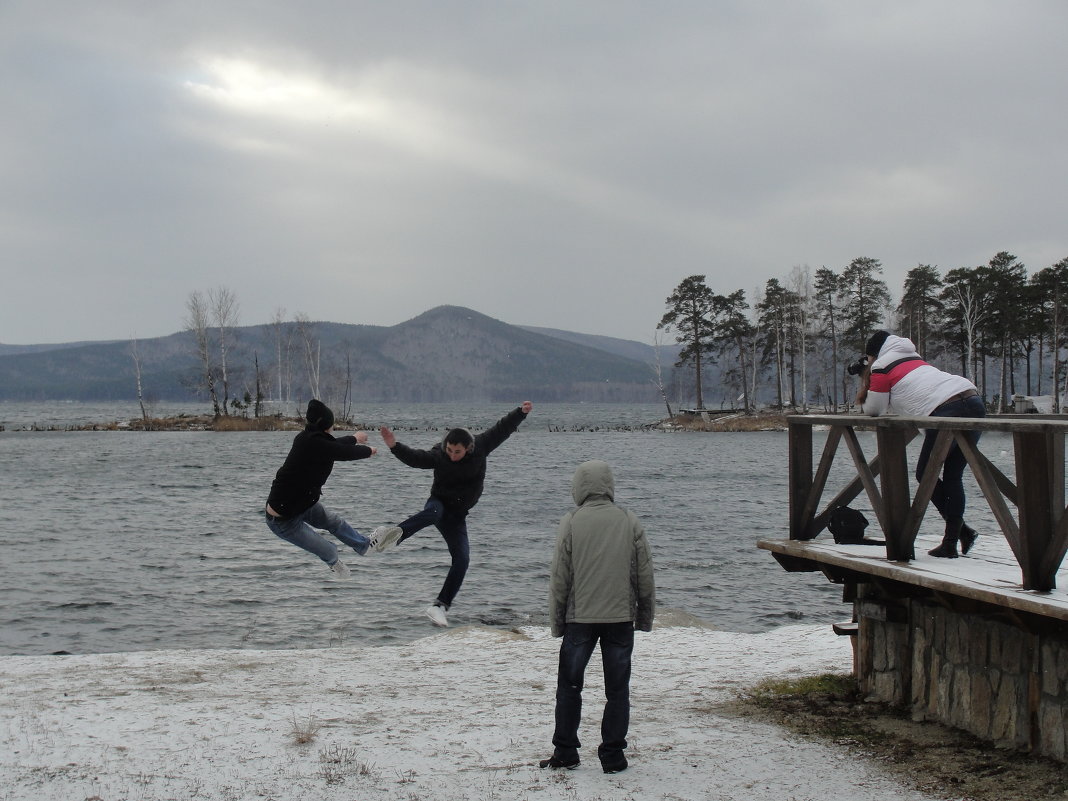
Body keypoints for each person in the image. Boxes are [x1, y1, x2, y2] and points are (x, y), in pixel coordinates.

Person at [540, 459, 655, 775]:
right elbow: (644, 573)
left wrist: (556, 622)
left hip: (580, 620)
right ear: (608, 486)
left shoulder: (572, 521)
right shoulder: (628, 520)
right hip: (620, 619)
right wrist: (643, 617)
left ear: (579, 487)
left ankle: (565, 752)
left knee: (569, 687)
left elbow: (559, 578)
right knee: (617, 690)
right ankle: (613, 756)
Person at [373, 401, 533, 626]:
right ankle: (392, 536)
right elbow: (416, 459)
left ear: (468, 448)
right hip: (438, 503)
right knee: (432, 513)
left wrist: (521, 412)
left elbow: (502, 428)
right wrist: (394, 446)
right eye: (449, 450)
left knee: (463, 559)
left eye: (457, 451)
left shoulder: (482, 445)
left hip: (458, 515)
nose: (452, 455)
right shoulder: (439, 454)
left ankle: (439, 606)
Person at [854, 330, 985, 558]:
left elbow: (874, 409)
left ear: (872, 355)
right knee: (953, 476)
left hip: (946, 409)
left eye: (868, 359)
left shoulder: (881, 366)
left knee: (926, 474)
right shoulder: (913, 357)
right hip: (972, 399)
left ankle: (957, 537)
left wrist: (867, 377)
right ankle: (955, 539)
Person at [264, 399, 376, 577]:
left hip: (304, 504)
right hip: (283, 521)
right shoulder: (310, 442)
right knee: (328, 550)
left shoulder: (313, 440)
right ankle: (334, 564)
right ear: (326, 425)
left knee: (335, 522)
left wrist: (355, 438)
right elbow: (341, 452)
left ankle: (363, 546)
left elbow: (333, 446)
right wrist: (368, 451)